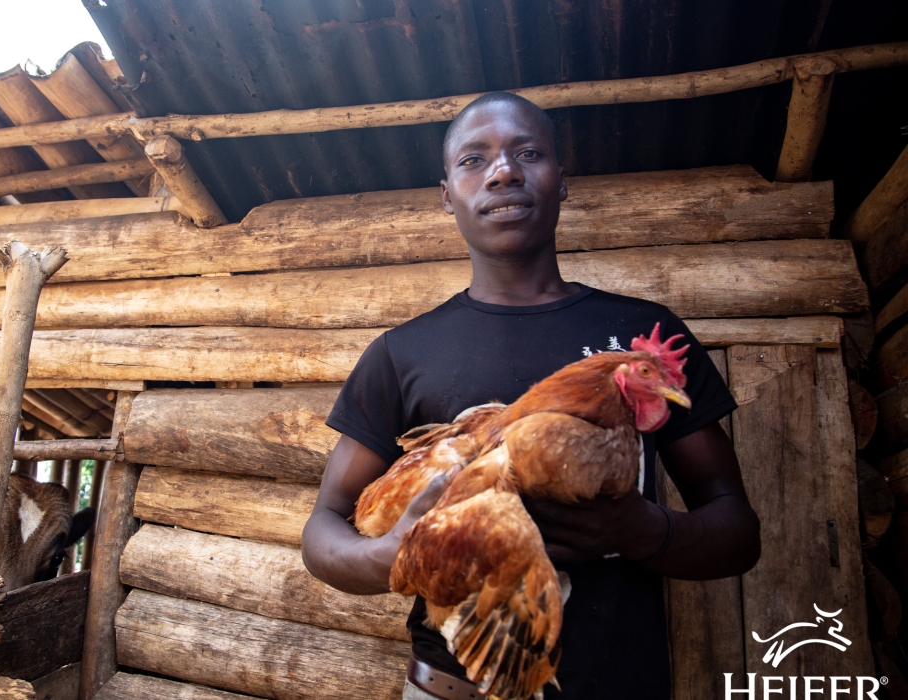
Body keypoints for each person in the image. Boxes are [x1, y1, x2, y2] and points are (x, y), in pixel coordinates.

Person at [300, 92, 761, 700]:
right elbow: (324, 526)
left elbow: (738, 531)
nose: (504, 171)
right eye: (474, 159)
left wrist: (641, 530)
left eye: (528, 153)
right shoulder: (401, 352)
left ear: (561, 181)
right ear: (447, 194)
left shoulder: (646, 341)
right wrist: (395, 555)